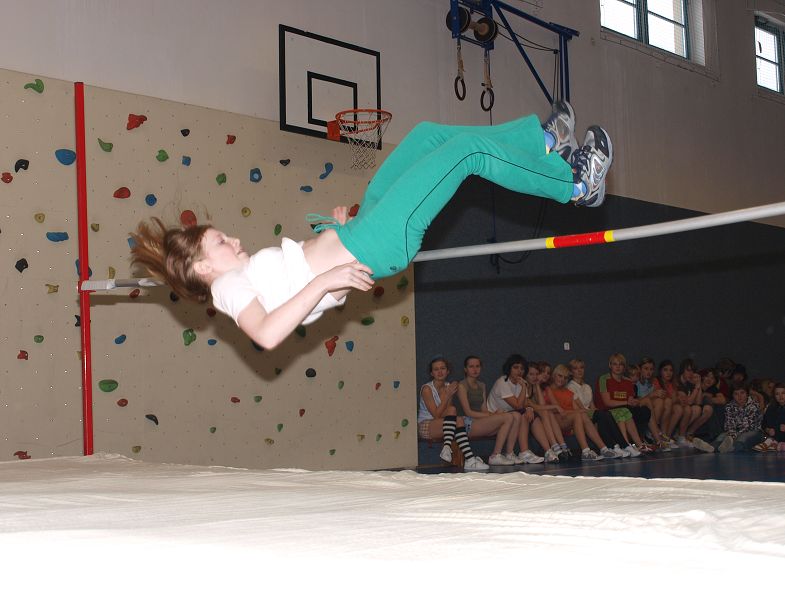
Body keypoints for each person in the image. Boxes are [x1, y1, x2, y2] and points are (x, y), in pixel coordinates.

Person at [130, 103, 614, 349]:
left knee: (426, 137)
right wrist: (326, 280)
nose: (233, 238)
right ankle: (575, 185)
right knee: (466, 155)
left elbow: (307, 281)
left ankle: (539, 142)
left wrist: (335, 233)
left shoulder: (242, 277)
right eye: (220, 240)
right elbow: (267, 335)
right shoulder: (227, 288)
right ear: (201, 265)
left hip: (363, 230)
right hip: (376, 241)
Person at [417, 356, 488, 471]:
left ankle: (465, 457)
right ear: (431, 373)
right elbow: (436, 415)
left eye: (443, 368)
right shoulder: (427, 389)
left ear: (448, 371)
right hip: (426, 424)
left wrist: (448, 393)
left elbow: (447, 413)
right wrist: (447, 395)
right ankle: (452, 448)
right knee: (454, 413)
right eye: (436, 369)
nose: (440, 372)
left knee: (456, 415)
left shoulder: (448, 386)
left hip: (443, 424)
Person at [455, 355, 519, 466]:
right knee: (507, 417)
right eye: (471, 367)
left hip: (480, 422)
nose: (475, 369)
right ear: (465, 369)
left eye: (477, 366)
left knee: (516, 415)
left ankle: (509, 453)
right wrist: (492, 415)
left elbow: (484, 409)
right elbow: (468, 412)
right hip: (466, 423)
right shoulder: (462, 386)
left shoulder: (482, 385)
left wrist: (493, 415)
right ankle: (495, 455)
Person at [545, 364, 618, 460]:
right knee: (578, 414)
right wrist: (580, 411)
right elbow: (557, 410)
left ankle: (603, 448)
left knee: (582, 414)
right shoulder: (548, 389)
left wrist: (586, 411)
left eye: (565, 377)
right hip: (556, 421)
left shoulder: (568, 392)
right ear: (554, 375)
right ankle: (585, 451)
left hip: (569, 420)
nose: (562, 379)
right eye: (560, 376)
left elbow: (576, 409)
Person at [486, 354, 549, 464]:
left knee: (526, 414)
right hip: (493, 418)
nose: (519, 371)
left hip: (509, 417)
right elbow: (518, 406)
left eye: (522, 368)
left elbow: (525, 404)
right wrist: (524, 387)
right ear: (509, 368)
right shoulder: (503, 382)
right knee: (519, 414)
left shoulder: (520, 382)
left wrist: (529, 408)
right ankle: (514, 453)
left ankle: (518, 453)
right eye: (515, 367)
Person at [567, 358, 628, 457]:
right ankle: (620, 445)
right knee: (602, 415)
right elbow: (580, 407)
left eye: (581, 368)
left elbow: (592, 406)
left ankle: (615, 447)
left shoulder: (587, 387)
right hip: (581, 414)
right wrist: (596, 413)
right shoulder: (570, 387)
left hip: (590, 413)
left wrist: (596, 412)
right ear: (571, 371)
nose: (579, 370)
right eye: (575, 368)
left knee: (604, 415)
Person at [595, 353, 651, 455]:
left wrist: (634, 402)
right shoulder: (603, 379)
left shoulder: (628, 381)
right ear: (610, 365)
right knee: (623, 412)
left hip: (624, 409)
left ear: (624, 367)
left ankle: (639, 444)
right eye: (615, 364)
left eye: (620, 364)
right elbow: (607, 402)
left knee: (640, 411)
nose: (617, 367)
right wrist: (626, 402)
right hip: (606, 411)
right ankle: (625, 445)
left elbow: (630, 400)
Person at [691, 386, 764, 453]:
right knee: (722, 436)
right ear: (732, 396)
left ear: (747, 394)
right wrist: (731, 435)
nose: (739, 396)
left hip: (754, 431)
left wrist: (733, 436)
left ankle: (731, 448)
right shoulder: (729, 406)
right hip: (736, 431)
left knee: (743, 438)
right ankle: (711, 447)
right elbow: (729, 425)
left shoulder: (753, 405)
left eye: (742, 393)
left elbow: (748, 427)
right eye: (736, 394)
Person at [523, 362, 568, 461]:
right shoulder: (524, 386)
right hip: (527, 417)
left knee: (549, 413)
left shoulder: (535, 386)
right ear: (525, 375)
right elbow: (536, 406)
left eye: (536, 374)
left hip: (536, 415)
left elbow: (542, 404)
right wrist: (555, 406)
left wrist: (537, 385)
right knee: (546, 412)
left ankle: (561, 445)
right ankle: (554, 445)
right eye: (532, 374)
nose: (535, 377)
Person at [754, 382, 785, 452]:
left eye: (783, 393)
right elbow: (764, 424)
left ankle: (774, 443)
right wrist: (768, 430)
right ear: (774, 396)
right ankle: (773, 443)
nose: (780, 396)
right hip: (775, 437)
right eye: (777, 394)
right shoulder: (771, 408)